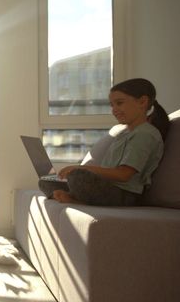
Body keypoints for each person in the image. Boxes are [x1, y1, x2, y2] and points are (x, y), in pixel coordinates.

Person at [39, 78, 170, 206]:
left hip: (126, 194)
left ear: (142, 102)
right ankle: (72, 195)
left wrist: (81, 168)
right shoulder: (124, 133)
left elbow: (124, 175)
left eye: (119, 103)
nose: (114, 109)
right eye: (112, 105)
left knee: (78, 176)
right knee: (45, 182)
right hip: (108, 186)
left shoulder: (145, 134)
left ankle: (75, 198)